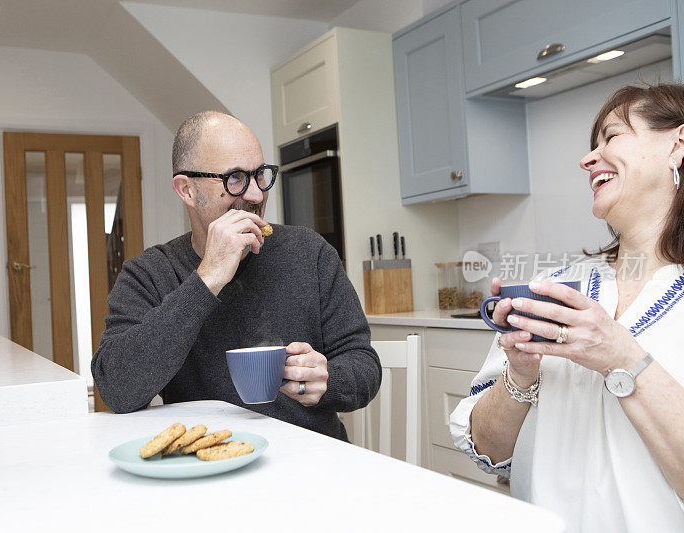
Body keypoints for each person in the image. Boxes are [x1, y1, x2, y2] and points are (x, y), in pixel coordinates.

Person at [450, 83, 684, 532]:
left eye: (611, 137)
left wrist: (624, 358)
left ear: (677, 145)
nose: (587, 159)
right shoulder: (555, 288)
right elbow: (488, 450)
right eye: (591, 146)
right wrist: (520, 372)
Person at [91, 111, 381, 440]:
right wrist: (208, 278)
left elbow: (364, 365)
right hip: (206, 465)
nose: (256, 195)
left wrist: (328, 379)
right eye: (235, 179)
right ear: (187, 190)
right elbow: (117, 390)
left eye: (260, 175)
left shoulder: (309, 252)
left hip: (311, 460)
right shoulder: (149, 273)